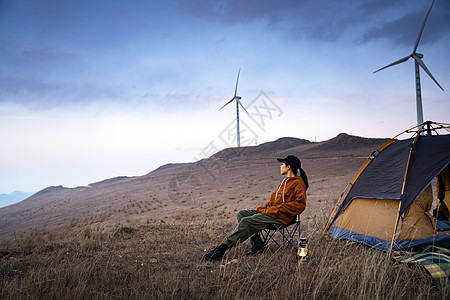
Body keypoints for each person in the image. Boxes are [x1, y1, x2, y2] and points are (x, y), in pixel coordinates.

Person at [205, 155, 308, 260]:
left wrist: (277, 209)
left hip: (281, 218)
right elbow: (273, 202)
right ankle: (258, 243)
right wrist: (266, 209)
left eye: (282, 164)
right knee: (242, 214)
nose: (280, 166)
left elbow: (300, 205)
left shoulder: (298, 183)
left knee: (246, 221)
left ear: (289, 167)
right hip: (272, 213)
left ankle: (222, 249)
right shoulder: (283, 182)